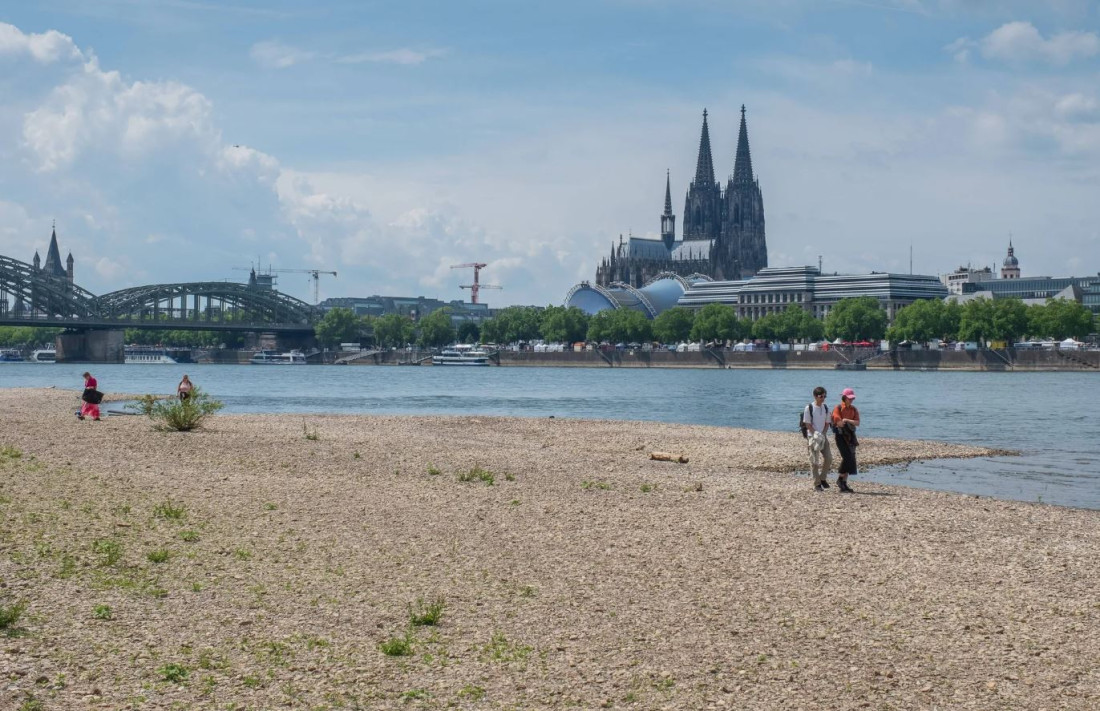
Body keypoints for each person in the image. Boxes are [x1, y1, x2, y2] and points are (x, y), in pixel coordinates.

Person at [801, 386, 833, 491]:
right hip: (812, 437)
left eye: (824, 396)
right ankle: (817, 484)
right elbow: (807, 424)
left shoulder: (826, 408)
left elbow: (827, 423)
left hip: (823, 436)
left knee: (829, 458)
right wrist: (815, 433)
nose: (823, 398)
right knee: (814, 461)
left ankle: (822, 478)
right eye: (821, 396)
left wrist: (823, 433)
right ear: (815, 396)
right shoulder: (809, 408)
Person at [831, 387, 861, 493]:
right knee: (847, 457)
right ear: (844, 398)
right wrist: (849, 422)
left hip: (851, 436)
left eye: (852, 398)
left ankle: (843, 482)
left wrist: (847, 420)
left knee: (851, 458)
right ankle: (840, 479)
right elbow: (838, 422)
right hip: (840, 436)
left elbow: (858, 422)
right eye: (850, 398)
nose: (851, 400)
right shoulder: (838, 408)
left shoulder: (854, 409)